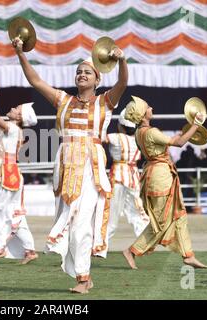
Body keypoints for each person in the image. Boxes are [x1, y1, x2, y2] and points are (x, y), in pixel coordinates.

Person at [12, 37, 128, 293]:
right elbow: (35, 80)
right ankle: (83, 274)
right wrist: (20, 52)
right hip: (65, 167)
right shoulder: (63, 100)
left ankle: (83, 279)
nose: (82, 75)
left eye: (87, 72)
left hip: (91, 168)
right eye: (78, 72)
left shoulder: (105, 101)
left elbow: (122, 83)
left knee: (81, 221)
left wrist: (122, 60)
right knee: (72, 223)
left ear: (97, 80)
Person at [121, 96, 207, 269]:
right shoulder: (151, 131)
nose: (151, 107)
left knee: (179, 215)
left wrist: (179, 135)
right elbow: (180, 143)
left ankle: (188, 255)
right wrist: (196, 125)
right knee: (161, 222)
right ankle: (132, 251)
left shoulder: (140, 132)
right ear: (143, 114)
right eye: (148, 107)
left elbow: (167, 142)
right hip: (160, 177)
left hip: (156, 175)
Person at [0, 83, 39, 265]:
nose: (11, 108)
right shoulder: (12, 129)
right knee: (14, 214)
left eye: (16, 108)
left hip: (6, 174)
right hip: (11, 173)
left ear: (19, 117)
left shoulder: (12, 129)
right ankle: (30, 250)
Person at [104, 108, 150, 247]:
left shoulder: (115, 137)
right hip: (134, 176)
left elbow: (99, 137)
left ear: (120, 125)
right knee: (137, 211)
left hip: (118, 175)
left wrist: (104, 119)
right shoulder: (138, 138)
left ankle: (100, 246)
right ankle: (146, 243)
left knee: (111, 215)